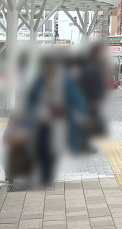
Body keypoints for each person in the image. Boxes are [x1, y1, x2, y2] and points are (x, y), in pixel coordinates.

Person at [25, 56, 87, 184]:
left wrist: (83, 114)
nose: (49, 70)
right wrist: (29, 111)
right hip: (42, 119)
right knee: (41, 147)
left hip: (59, 121)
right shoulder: (41, 79)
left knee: (53, 148)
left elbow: (77, 98)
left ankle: (48, 174)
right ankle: (44, 171)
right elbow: (32, 96)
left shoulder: (66, 80)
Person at [78, 43, 109, 149]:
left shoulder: (93, 65)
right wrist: (92, 100)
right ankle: (84, 143)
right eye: (101, 53)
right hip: (91, 100)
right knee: (89, 121)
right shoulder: (92, 67)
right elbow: (90, 84)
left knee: (91, 121)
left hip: (92, 100)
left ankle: (86, 142)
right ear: (96, 53)